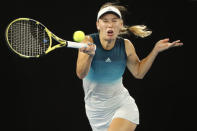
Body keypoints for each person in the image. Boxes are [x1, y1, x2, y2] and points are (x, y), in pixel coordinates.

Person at [76, 2, 183, 131]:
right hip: (95, 112)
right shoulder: (88, 42)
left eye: (114, 21)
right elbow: (81, 74)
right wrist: (90, 56)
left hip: (121, 105)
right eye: (105, 21)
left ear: (120, 25)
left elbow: (139, 73)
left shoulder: (126, 45)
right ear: (98, 25)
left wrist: (155, 51)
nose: (110, 25)